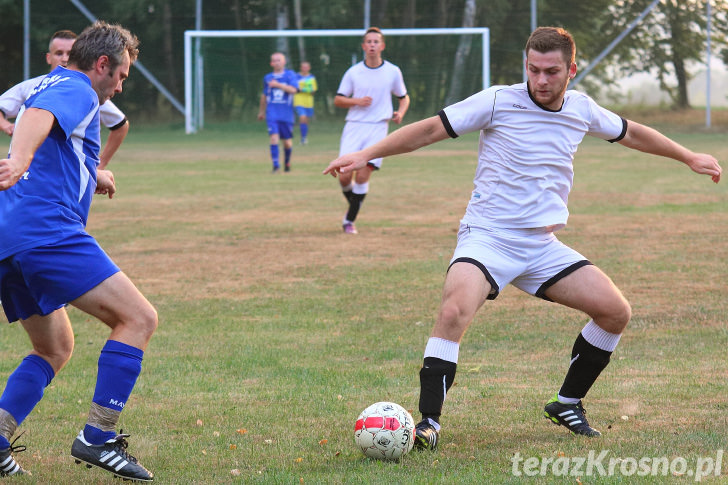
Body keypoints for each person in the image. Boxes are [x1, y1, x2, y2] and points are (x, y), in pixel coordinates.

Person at [325, 27, 722, 449]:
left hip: (541, 246)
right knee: (455, 309)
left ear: (571, 69)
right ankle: (429, 424)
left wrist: (688, 155)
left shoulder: (582, 109)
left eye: (551, 71)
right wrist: (367, 153)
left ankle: (567, 402)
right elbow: (428, 130)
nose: (541, 80)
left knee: (614, 312)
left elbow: (632, 132)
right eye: (533, 69)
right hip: (488, 238)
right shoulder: (497, 100)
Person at [0, 21, 157, 480]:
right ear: (102, 64)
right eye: (122, 75)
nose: (121, 86)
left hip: (8, 235)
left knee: (54, 347)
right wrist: (19, 160)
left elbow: (55, 137)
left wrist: (95, 172)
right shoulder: (78, 86)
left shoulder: (52, 79)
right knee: (138, 318)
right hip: (46, 232)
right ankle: (99, 438)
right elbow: (38, 118)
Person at [0, 30, 130, 170]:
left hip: (34, 179)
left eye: (69, 53)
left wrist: (95, 172)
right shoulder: (78, 89)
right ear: (48, 58)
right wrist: (18, 161)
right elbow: (38, 114)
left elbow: (120, 125)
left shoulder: (88, 91)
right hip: (36, 185)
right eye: (59, 53)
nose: (64, 58)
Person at [333, 27, 410, 234]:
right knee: (343, 177)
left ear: (382, 46)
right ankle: (355, 205)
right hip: (354, 126)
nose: (372, 45)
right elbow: (338, 99)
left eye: (376, 41)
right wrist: (357, 101)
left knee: (362, 175)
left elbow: (404, 97)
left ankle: (349, 220)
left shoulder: (393, 71)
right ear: (363, 46)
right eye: (369, 41)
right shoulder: (354, 72)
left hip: (378, 128)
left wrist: (400, 113)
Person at [257, 52, 299, 173]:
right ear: (271, 63)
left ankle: (287, 162)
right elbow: (264, 96)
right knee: (274, 138)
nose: (276, 62)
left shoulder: (290, 75)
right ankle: (276, 166)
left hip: (286, 114)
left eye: (279, 60)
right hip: (272, 113)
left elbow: (294, 90)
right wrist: (261, 111)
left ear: (284, 62)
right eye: (274, 60)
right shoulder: (267, 77)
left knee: (286, 142)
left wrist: (278, 85)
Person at [293, 61, 317, 145]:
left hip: (309, 102)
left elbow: (313, 91)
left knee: (305, 121)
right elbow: (295, 89)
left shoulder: (311, 77)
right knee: (302, 117)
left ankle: (304, 137)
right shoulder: (296, 76)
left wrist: (304, 89)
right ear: (301, 68)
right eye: (303, 67)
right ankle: (302, 138)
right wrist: (306, 89)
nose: (305, 69)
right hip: (299, 101)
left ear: (309, 68)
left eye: (306, 67)